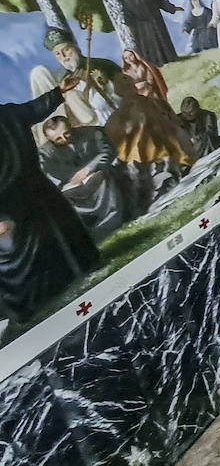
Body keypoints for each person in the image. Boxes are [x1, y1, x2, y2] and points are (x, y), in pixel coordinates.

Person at [0, 79, 100, 324]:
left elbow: (34, 109)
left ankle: (77, 277)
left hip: (37, 191)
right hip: (7, 205)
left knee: (60, 236)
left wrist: (59, 92)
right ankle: (34, 307)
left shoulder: (6, 114)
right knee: (21, 259)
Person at [38, 115, 128, 243]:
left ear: (71, 127)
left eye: (66, 134)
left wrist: (89, 168)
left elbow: (107, 152)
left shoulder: (92, 132)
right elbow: (46, 176)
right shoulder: (44, 153)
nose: (64, 139)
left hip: (100, 177)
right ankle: (91, 233)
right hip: (72, 190)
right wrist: (65, 184)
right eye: (58, 139)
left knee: (103, 181)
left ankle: (113, 220)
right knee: (62, 201)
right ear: (48, 138)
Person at [29, 27, 121, 130]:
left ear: (75, 47)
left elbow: (126, 89)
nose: (64, 56)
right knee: (39, 73)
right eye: (58, 54)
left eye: (66, 49)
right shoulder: (60, 78)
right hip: (73, 125)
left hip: (105, 120)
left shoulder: (102, 65)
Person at [123, 0, 183, 64]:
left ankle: (156, 61)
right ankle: (165, 59)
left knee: (152, 44)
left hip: (144, 28)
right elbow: (162, 2)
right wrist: (173, 8)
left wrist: (173, 8)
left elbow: (161, 1)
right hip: (154, 24)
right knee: (159, 41)